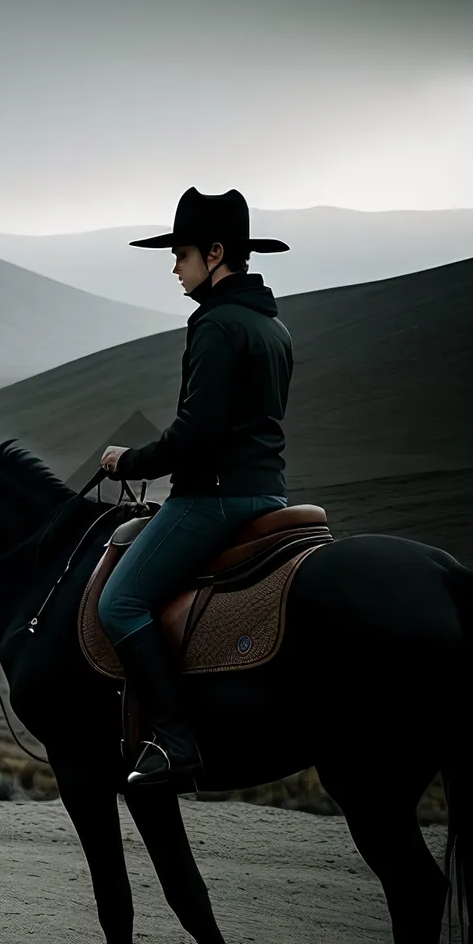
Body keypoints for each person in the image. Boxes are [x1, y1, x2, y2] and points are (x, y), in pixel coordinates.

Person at [97, 186, 293, 789]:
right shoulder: (272, 327)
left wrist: (129, 461)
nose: (174, 267)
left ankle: (172, 740)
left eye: (181, 254)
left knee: (119, 602)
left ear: (215, 253)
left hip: (212, 498)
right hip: (271, 496)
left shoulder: (212, 325)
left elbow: (196, 433)